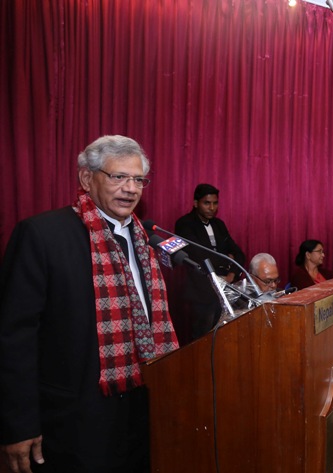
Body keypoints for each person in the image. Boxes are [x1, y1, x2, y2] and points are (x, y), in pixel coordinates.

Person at [0, 135, 179, 472]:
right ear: (86, 178)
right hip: (73, 418)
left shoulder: (146, 238)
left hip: (141, 410)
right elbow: (14, 339)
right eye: (118, 177)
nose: (131, 189)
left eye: (138, 179)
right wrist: (19, 424)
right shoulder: (42, 235)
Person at [175, 183, 246, 339]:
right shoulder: (185, 223)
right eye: (207, 203)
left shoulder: (218, 224)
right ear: (196, 203)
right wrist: (226, 259)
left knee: (224, 335)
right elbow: (199, 255)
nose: (212, 208)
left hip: (225, 287)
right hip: (202, 290)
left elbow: (239, 254)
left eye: (215, 203)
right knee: (203, 338)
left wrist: (231, 275)